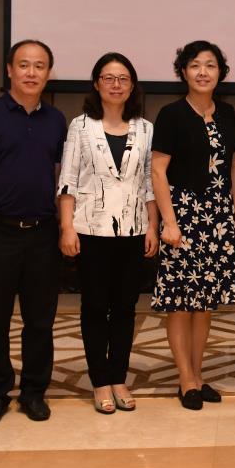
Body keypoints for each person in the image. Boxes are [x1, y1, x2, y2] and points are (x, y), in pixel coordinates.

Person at [0, 39, 67, 426]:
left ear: (48, 73)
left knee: (40, 320)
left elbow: (61, 178)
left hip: (42, 233)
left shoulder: (56, 120)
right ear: (9, 70)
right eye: (24, 65)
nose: (31, 73)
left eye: (39, 66)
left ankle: (34, 392)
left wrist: (64, 227)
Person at [58, 52, 159, 415]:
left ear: (132, 86)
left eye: (123, 79)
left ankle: (119, 377)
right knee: (95, 308)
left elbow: (148, 183)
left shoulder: (145, 129)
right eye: (108, 78)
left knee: (126, 309)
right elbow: (68, 180)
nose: (116, 85)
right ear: (96, 84)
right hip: (90, 231)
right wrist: (66, 227)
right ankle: (100, 381)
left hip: (133, 231)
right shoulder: (80, 126)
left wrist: (153, 226)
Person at [151, 40, 235, 411]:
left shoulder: (228, 113)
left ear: (220, 72)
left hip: (218, 217)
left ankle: (198, 375)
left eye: (210, 65)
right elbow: (158, 171)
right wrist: (169, 222)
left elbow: (232, 165)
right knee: (180, 302)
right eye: (194, 65)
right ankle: (185, 378)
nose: (203, 72)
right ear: (183, 72)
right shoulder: (171, 114)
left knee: (205, 303)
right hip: (183, 215)